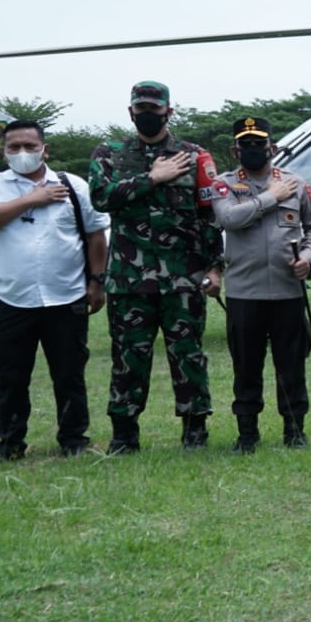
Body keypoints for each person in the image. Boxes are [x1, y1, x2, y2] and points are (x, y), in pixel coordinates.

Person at [89, 81, 224, 453]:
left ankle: (195, 431)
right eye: (141, 108)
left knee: (189, 355)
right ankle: (124, 434)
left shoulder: (194, 156)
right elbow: (100, 198)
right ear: (131, 112)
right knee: (128, 358)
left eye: (155, 108)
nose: (148, 114)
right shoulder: (110, 154)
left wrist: (215, 269)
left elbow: (209, 216)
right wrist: (152, 178)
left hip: (184, 278)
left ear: (169, 111)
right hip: (129, 280)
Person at [0, 119, 110, 463]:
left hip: (66, 296)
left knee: (69, 374)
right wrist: (33, 199)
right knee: (10, 377)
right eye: (13, 147)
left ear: (45, 149)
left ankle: (74, 440)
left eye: (30, 146)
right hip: (9, 299)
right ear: (3, 152)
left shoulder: (73, 186)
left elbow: (95, 235)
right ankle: (10, 445)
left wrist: (96, 282)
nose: (22, 153)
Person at [209, 117, 311, 452]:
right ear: (235, 149)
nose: (254, 150)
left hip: (287, 291)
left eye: (259, 144)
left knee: (291, 366)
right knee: (247, 366)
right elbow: (229, 219)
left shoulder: (296, 183)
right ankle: (247, 434)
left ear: (272, 147)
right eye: (246, 144)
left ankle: (294, 430)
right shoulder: (224, 184)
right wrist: (270, 198)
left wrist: (309, 258)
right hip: (246, 292)